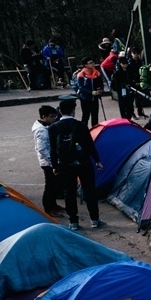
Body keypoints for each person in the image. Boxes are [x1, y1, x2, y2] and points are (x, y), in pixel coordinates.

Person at [48, 98, 104, 231]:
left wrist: (55, 166)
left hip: (65, 165)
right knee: (89, 190)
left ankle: (73, 221)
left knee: (69, 193)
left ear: (60, 112)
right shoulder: (81, 125)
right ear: (73, 110)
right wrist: (97, 160)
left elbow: (52, 149)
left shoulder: (53, 128)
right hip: (83, 163)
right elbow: (89, 145)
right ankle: (94, 220)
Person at [32, 105, 64, 217]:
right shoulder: (41, 130)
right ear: (43, 116)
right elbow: (42, 149)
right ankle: (48, 209)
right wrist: (53, 163)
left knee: (54, 184)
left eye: (55, 116)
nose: (54, 118)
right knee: (50, 185)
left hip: (51, 160)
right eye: (52, 116)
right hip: (47, 163)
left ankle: (53, 204)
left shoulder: (47, 126)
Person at [73, 57, 105, 127]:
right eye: (90, 63)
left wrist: (101, 90)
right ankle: (84, 131)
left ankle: (95, 131)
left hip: (95, 98)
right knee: (86, 115)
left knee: (95, 116)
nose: (92, 64)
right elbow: (81, 88)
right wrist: (92, 92)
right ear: (85, 65)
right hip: (85, 98)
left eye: (93, 62)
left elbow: (101, 84)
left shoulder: (97, 72)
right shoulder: (81, 74)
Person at [111, 56, 135, 121]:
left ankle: (129, 118)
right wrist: (122, 86)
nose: (125, 65)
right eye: (123, 63)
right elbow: (114, 84)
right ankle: (124, 119)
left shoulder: (130, 71)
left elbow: (133, 80)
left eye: (126, 63)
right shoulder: (117, 73)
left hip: (130, 91)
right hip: (121, 91)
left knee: (130, 106)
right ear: (120, 64)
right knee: (123, 107)